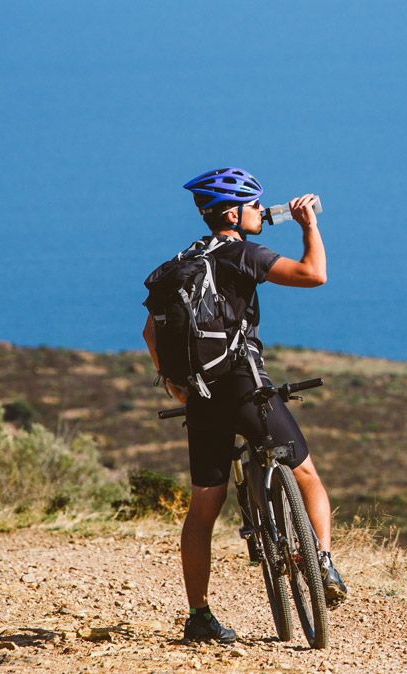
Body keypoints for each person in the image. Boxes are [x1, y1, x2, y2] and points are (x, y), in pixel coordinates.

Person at [142, 167, 347, 643]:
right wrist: (308, 226)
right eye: (255, 205)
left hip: (200, 397)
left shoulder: (179, 265)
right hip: (244, 388)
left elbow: (151, 333)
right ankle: (322, 564)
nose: (261, 211)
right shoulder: (243, 254)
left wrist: (177, 386)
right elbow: (314, 275)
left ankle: (199, 616)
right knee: (307, 475)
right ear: (233, 212)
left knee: (202, 509)